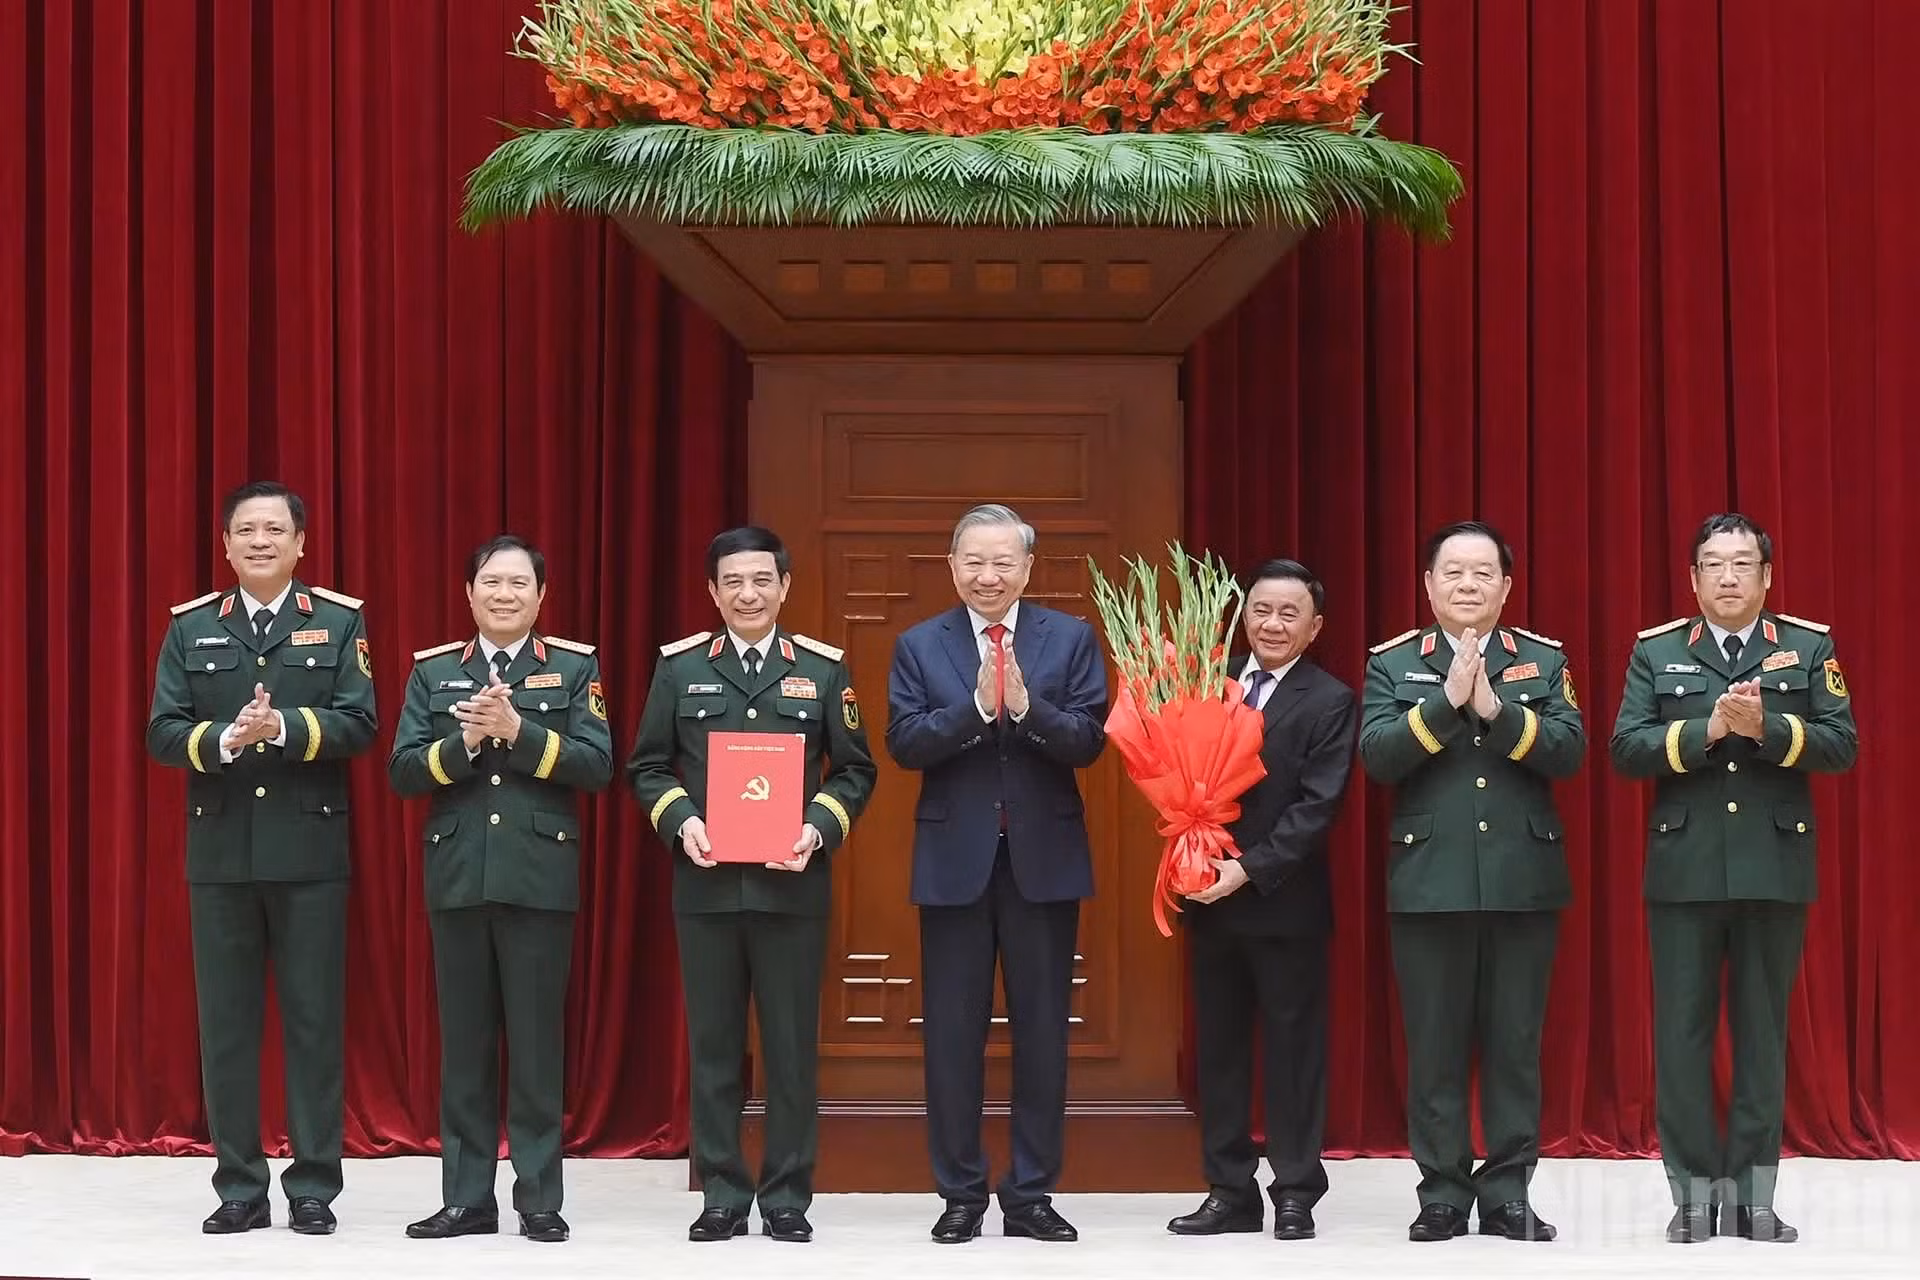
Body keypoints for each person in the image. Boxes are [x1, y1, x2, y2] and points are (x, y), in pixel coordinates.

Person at [1609, 513, 1857, 1245]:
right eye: (1713, 564)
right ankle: (1690, 1197)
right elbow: (1626, 748)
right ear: (1692, 579)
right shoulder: (1657, 651)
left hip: (1774, 869)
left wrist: (1767, 731)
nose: (1728, 576)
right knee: (1682, 1039)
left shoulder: (1808, 647)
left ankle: (1752, 1199)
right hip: (1683, 871)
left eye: (1743, 564)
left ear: (1767, 576)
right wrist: (1707, 732)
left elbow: (1841, 745)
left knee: (1761, 1035)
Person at [626, 526, 876, 1244]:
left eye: (762, 579)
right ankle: (723, 1194)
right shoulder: (679, 670)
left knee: (792, 1049)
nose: (748, 593)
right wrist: (683, 823)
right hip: (705, 888)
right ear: (712, 592)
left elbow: (856, 769)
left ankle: (789, 1195)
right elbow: (647, 766)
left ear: (785, 586)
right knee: (713, 1048)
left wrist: (817, 829)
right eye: (733, 581)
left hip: (792, 888)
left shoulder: (823, 671)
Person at [145, 480, 377, 1235]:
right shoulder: (191, 629)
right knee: (229, 1028)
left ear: (301, 543)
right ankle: (239, 1185)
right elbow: (163, 731)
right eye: (245, 530)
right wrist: (225, 740)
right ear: (226, 545)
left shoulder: (340, 622)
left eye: (275, 530)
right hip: (221, 856)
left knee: (314, 1025)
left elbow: (360, 723)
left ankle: (313, 1186)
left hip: (311, 855)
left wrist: (282, 729)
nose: (260, 541)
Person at [885, 503, 1109, 1245]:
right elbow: (906, 745)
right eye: (974, 563)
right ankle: (959, 1193)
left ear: (1027, 568)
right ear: (952, 568)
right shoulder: (920, 645)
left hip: (1043, 863)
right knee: (952, 1035)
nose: (988, 576)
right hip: (955, 866)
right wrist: (978, 709)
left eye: (1003, 562)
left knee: (1044, 1033)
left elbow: (1086, 743)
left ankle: (1032, 1194)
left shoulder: (1069, 638)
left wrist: (1028, 706)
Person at [1356, 520, 1584, 1244]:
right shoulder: (1395, 664)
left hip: (1523, 878)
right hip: (1430, 881)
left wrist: (1492, 708)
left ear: (1507, 587)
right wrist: (1445, 703)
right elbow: (1379, 758)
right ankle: (1444, 1193)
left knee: (1515, 1042)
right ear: (1427, 585)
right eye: (1452, 572)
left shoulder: (1541, 661)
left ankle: (1509, 1191)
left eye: (1483, 573)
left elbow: (1568, 751)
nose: (1467, 584)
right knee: (1436, 1045)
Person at [389, 535, 612, 1244]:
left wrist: (518, 731)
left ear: (541, 597)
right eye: (491, 581)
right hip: (457, 876)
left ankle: (540, 1198)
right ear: (469, 593)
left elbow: (597, 765)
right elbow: (403, 770)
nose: (505, 593)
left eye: (519, 583)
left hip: (539, 878)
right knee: (466, 1047)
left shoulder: (575, 669)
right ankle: (466, 1197)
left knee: (538, 1047)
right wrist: (467, 746)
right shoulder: (432, 674)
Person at [1166, 559, 1357, 1241]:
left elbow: (1318, 806)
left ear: (1314, 628)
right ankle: (1229, 1190)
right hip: (1208, 901)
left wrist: (1247, 869)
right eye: (1261, 611)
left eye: (1289, 614)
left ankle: (1296, 1190)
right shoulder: (1205, 688)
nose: (1273, 624)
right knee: (1218, 1052)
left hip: (1284, 904)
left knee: (1292, 1052)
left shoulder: (1329, 698)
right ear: (1241, 617)